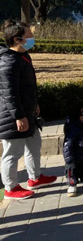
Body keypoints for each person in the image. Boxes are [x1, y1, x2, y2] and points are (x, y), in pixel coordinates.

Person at [0, 20, 57, 200]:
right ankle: (10, 188)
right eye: (29, 36)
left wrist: (34, 105)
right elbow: (10, 93)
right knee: (12, 153)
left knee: (34, 145)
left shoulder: (23, 57)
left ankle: (35, 177)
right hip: (13, 117)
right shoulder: (9, 61)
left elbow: (27, 87)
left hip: (28, 112)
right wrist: (19, 116)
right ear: (17, 40)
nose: (32, 38)